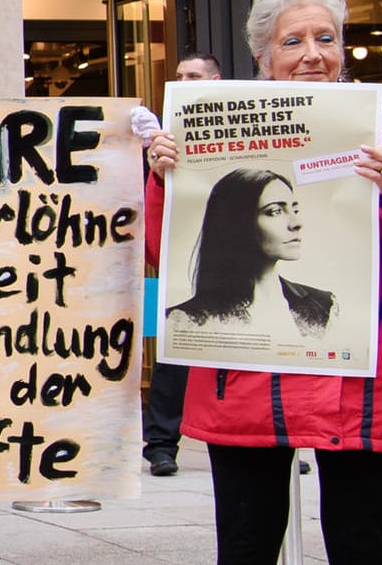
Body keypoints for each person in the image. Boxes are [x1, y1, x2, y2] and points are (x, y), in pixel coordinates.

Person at [146, 0, 382, 565]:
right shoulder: (215, 137)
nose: (314, 54)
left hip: (358, 383)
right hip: (244, 378)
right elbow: (171, 254)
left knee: (362, 546)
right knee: (246, 547)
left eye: (327, 38)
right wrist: (165, 181)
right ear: (263, 58)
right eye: (294, 42)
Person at [142, 52, 220, 477]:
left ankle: (274, 440)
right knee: (177, 354)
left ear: (215, 79)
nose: (184, 80)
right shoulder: (164, 132)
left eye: (193, 75)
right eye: (179, 76)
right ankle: (160, 444)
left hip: (232, 247)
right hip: (185, 252)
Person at [167, 168, 335, 336]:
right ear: (237, 222)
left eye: (295, 210)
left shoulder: (324, 305)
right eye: (275, 211)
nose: (296, 223)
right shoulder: (183, 320)